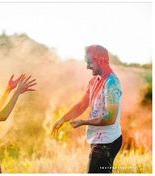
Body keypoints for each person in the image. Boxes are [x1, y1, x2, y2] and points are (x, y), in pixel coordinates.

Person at [51, 45, 123, 173]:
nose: (87, 66)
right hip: (100, 141)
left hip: (106, 142)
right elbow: (81, 105)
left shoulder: (111, 83)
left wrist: (83, 122)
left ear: (101, 60)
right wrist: (62, 119)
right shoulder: (94, 81)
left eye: (89, 63)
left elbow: (110, 118)